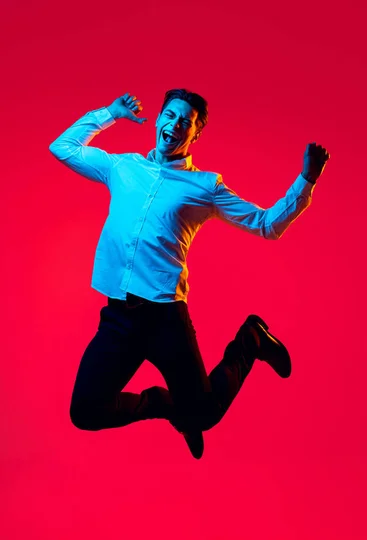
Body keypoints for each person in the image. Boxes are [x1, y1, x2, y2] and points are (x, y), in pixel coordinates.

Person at [49, 89, 330, 460]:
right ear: (160, 119)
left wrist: (306, 181)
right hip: (118, 318)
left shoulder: (205, 187)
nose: (175, 124)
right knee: (85, 411)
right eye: (170, 115)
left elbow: (266, 225)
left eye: (186, 122)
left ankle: (252, 340)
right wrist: (110, 114)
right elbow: (63, 147)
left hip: (165, 320)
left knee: (203, 413)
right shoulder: (123, 167)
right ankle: (164, 405)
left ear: (195, 135)